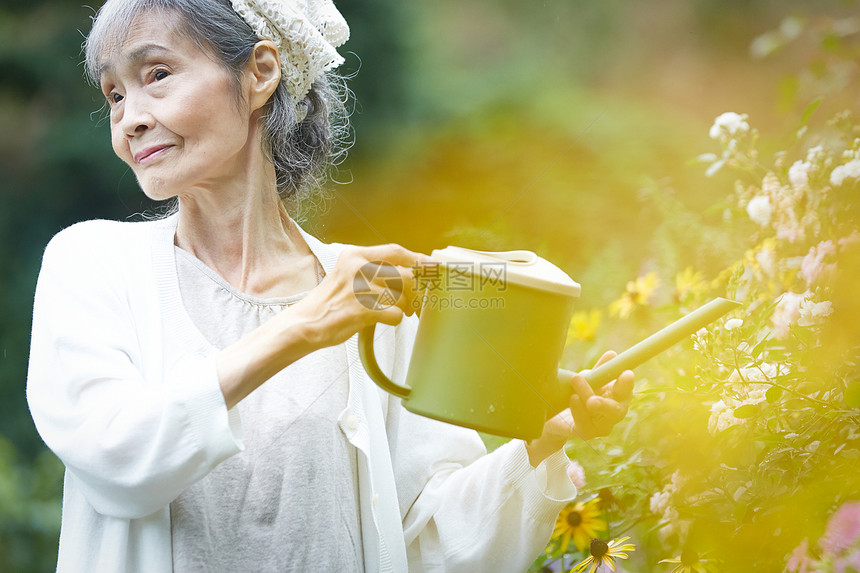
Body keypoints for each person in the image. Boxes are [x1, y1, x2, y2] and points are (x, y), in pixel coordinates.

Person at [26, 0, 634, 571]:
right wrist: (305, 324)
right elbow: (117, 457)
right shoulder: (91, 263)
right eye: (113, 94)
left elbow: (428, 541)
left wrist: (541, 442)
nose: (130, 118)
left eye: (156, 74)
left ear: (261, 71)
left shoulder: (364, 292)